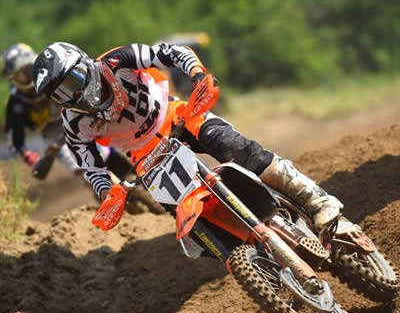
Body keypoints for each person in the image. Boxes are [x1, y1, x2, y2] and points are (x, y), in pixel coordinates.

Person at [31, 41, 343, 232]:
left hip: (177, 116)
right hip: (144, 156)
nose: (72, 94)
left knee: (239, 150)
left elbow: (169, 52)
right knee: (192, 222)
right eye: (60, 93)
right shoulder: (73, 121)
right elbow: (92, 167)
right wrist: (107, 193)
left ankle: (317, 201)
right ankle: (255, 255)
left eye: (72, 81)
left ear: (84, 63)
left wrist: (197, 76)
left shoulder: (116, 60)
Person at [0, 43, 79, 176]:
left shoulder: (54, 76)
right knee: (73, 162)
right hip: (51, 132)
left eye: (30, 70)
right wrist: (26, 154)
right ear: (13, 79)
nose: (30, 77)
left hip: (75, 116)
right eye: (23, 74)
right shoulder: (16, 105)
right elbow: (15, 138)